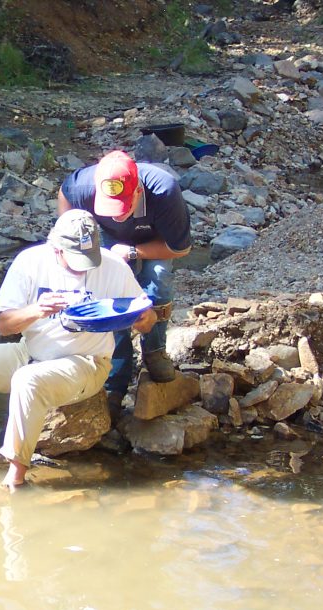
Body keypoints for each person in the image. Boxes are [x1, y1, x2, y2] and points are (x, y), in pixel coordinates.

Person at [0, 210, 156, 490]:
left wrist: (145, 318)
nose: (82, 268)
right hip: (29, 351)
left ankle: (14, 479)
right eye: (75, 261)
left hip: (86, 362)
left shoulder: (113, 266)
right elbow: (4, 325)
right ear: (55, 248)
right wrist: (37, 309)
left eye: (88, 260)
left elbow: (148, 319)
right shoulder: (30, 262)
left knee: (27, 380)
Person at [58, 150, 191, 416]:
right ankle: (115, 377)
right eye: (110, 207)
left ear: (138, 193)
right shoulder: (80, 186)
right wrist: (69, 236)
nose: (117, 215)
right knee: (109, 297)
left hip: (154, 238)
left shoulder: (164, 191)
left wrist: (134, 253)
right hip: (106, 238)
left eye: (122, 207)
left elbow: (180, 249)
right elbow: (64, 197)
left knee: (157, 282)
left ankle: (154, 351)